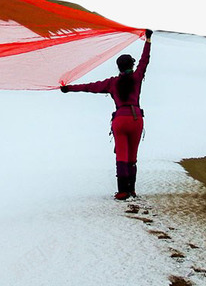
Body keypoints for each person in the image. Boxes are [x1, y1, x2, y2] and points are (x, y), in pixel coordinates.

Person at [61, 29, 152, 200]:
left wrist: (69, 88)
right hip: (136, 119)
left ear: (119, 67)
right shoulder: (137, 77)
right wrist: (148, 41)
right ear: (131, 66)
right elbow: (144, 61)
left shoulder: (112, 83)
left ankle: (122, 191)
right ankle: (131, 189)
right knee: (132, 156)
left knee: (122, 155)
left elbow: (89, 86)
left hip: (120, 120)